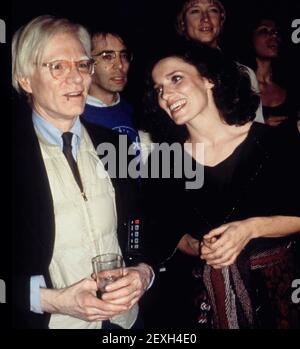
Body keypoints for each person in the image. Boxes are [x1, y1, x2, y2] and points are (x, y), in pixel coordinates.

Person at [142, 42, 300, 329]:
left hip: (279, 300)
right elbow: (162, 234)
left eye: (176, 78)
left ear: (209, 79)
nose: (165, 94)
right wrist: (197, 246)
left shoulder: (273, 143)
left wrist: (250, 228)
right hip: (200, 307)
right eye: (158, 88)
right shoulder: (162, 161)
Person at [12, 15, 153, 329]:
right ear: (25, 79)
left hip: (126, 322)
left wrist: (144, 272)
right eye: (58, 66)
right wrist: (53, 299)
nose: (76, 79)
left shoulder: (114, 144)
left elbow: (140, 225)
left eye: (82, 64)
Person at [175, 0, 265, 124]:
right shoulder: (171, 76)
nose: (205, 18)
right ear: (182, 23)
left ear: (221, 20)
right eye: (195, 11)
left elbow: (257, 125)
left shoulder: (243, 73)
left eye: (213, 10)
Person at [81, 28, 140, 151]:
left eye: (123, 55)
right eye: (107, 56)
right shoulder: (76, 117)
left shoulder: (138, 111)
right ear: (87, 62)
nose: (120, 65)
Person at [247, 17, 300, 127]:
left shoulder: (291, 84)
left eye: (276, 32)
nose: (274, 35)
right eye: (264, 31)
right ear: (250, 38)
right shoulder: (238, 84)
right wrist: (259, 121)